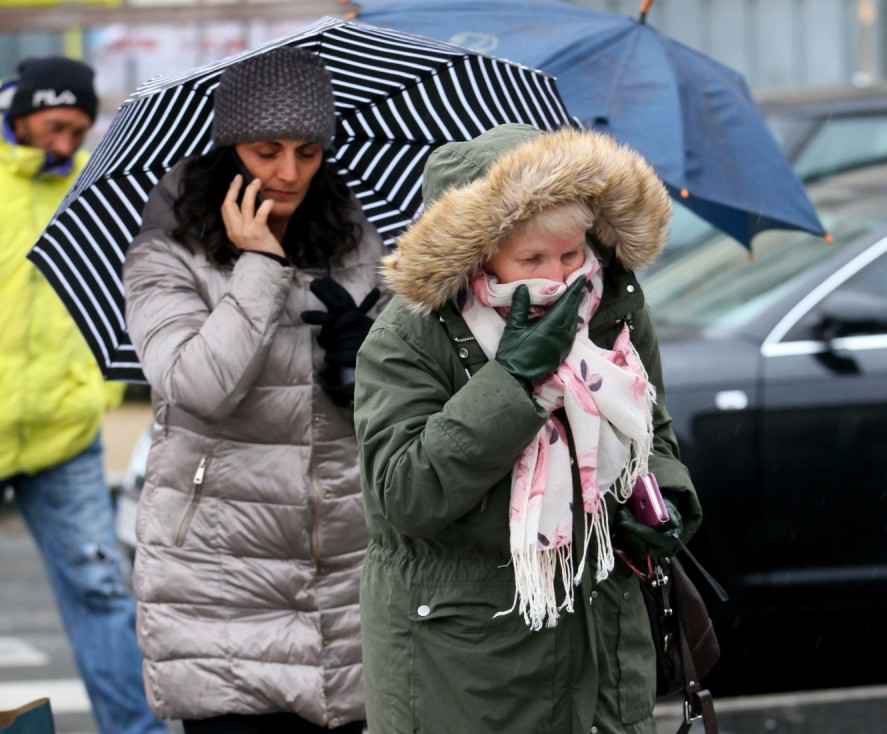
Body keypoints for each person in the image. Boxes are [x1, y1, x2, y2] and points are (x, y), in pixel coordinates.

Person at [353, 122, 704, 734]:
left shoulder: (613, 302)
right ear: (478, 252)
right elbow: (403, 493)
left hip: (603, 653)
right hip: (466, 669)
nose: (562, 276)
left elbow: (654, 428)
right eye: (533, 259)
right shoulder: (410, 334)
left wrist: (663, 500)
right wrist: (513, 381)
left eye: (572, 253)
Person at [122, 47, 385, 733]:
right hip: (219, 583)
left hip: (349, 581)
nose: (290, 172)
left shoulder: (356, 239)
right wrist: (261, 264)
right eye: (267, 150)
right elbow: (197, 387)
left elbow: (401, 410)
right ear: (227, 147)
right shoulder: (166, 251)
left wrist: (369, 359)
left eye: (307, 149)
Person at [0, 56, 167, 734]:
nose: (66, 143)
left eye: (78, 129)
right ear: (19, 115)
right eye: (54, 126)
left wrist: (94, 389)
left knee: (101, 591)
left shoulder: (95, 188)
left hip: (64, 430)